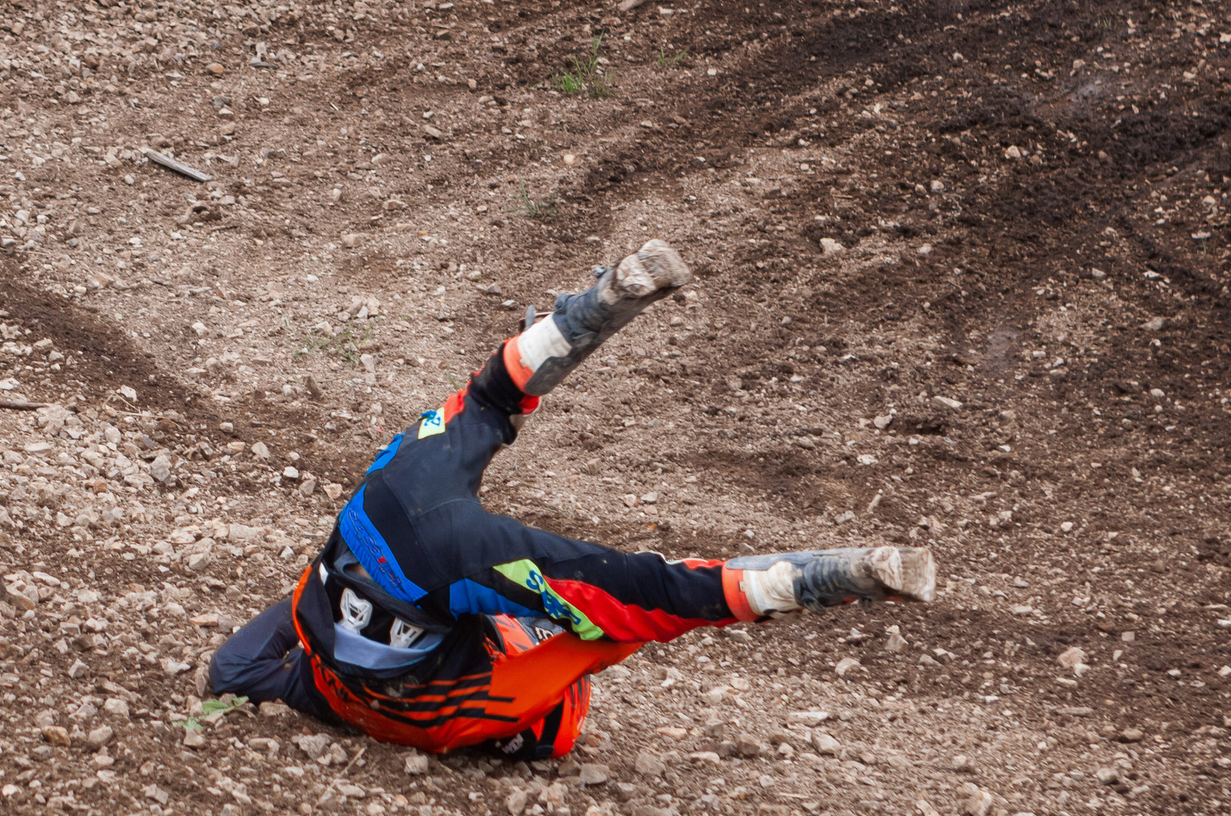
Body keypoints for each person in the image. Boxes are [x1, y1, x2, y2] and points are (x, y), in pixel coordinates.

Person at [209, 240, 935, 757]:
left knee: (635, 599)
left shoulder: (325, 676)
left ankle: (830, 574)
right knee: (500, 422)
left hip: (388, 600)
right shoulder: (388, 518)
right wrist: (338, 578)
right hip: (377, 521)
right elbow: (241, 665)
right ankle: (589, 307)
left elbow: (233, 673)